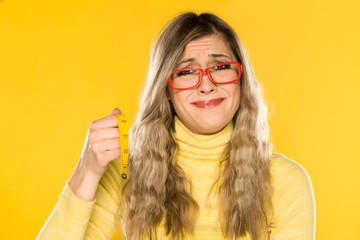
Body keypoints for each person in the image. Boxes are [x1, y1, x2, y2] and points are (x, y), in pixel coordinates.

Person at [36, 12, 316, 240]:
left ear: (241, 80)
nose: (207, 85)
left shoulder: (286, 182)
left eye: (220, 67)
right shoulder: (127, 172)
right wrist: (86, 172)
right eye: (186, 72)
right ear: (166, 90)